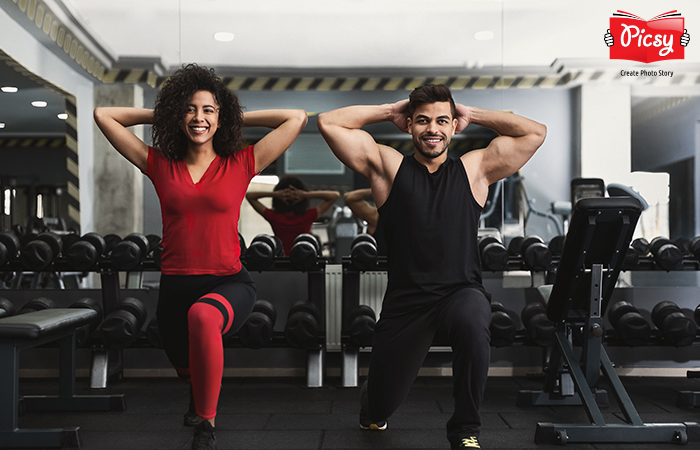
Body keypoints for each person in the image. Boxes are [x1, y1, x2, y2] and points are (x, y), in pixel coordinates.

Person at [318, 84, 546, 449]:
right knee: (379, 407)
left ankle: (465, 430)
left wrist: (471, 113)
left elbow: (534, 132)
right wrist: (387, 110)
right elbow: (329, 123)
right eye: (422, 121)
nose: (433, 129)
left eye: (442, 120)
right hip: (406, 302)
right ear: (409, 125)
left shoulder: (474, 169)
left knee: (475, 319)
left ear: (454, 126)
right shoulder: (390, 167)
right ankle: (372, 408)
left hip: (460, 291)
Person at [94, 63, 307, 450]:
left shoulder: (242, 163)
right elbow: (103, 114)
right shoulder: (159, 164)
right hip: (176, 285)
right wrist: (167, 112)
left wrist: (229, 114)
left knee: (204, 316)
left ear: (220, 118)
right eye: (190, 109)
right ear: (179, 115)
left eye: (209, 110)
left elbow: (296, 117)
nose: (199, 118)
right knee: (185, 368)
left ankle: (205, 426)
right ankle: (197, 392)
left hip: (229, 280)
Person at [246, 175, 339, 255]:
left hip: (281, 261)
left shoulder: (274, 217)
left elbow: (250, 196)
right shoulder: (308, 216)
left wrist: (276, 194)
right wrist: (305, 195)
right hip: (304, 259)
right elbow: (334, 196)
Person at [343, 188, 386, 255]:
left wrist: (379, 189)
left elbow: (349, 198)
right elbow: (349, 198)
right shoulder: (377, 217)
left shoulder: (376, 217)